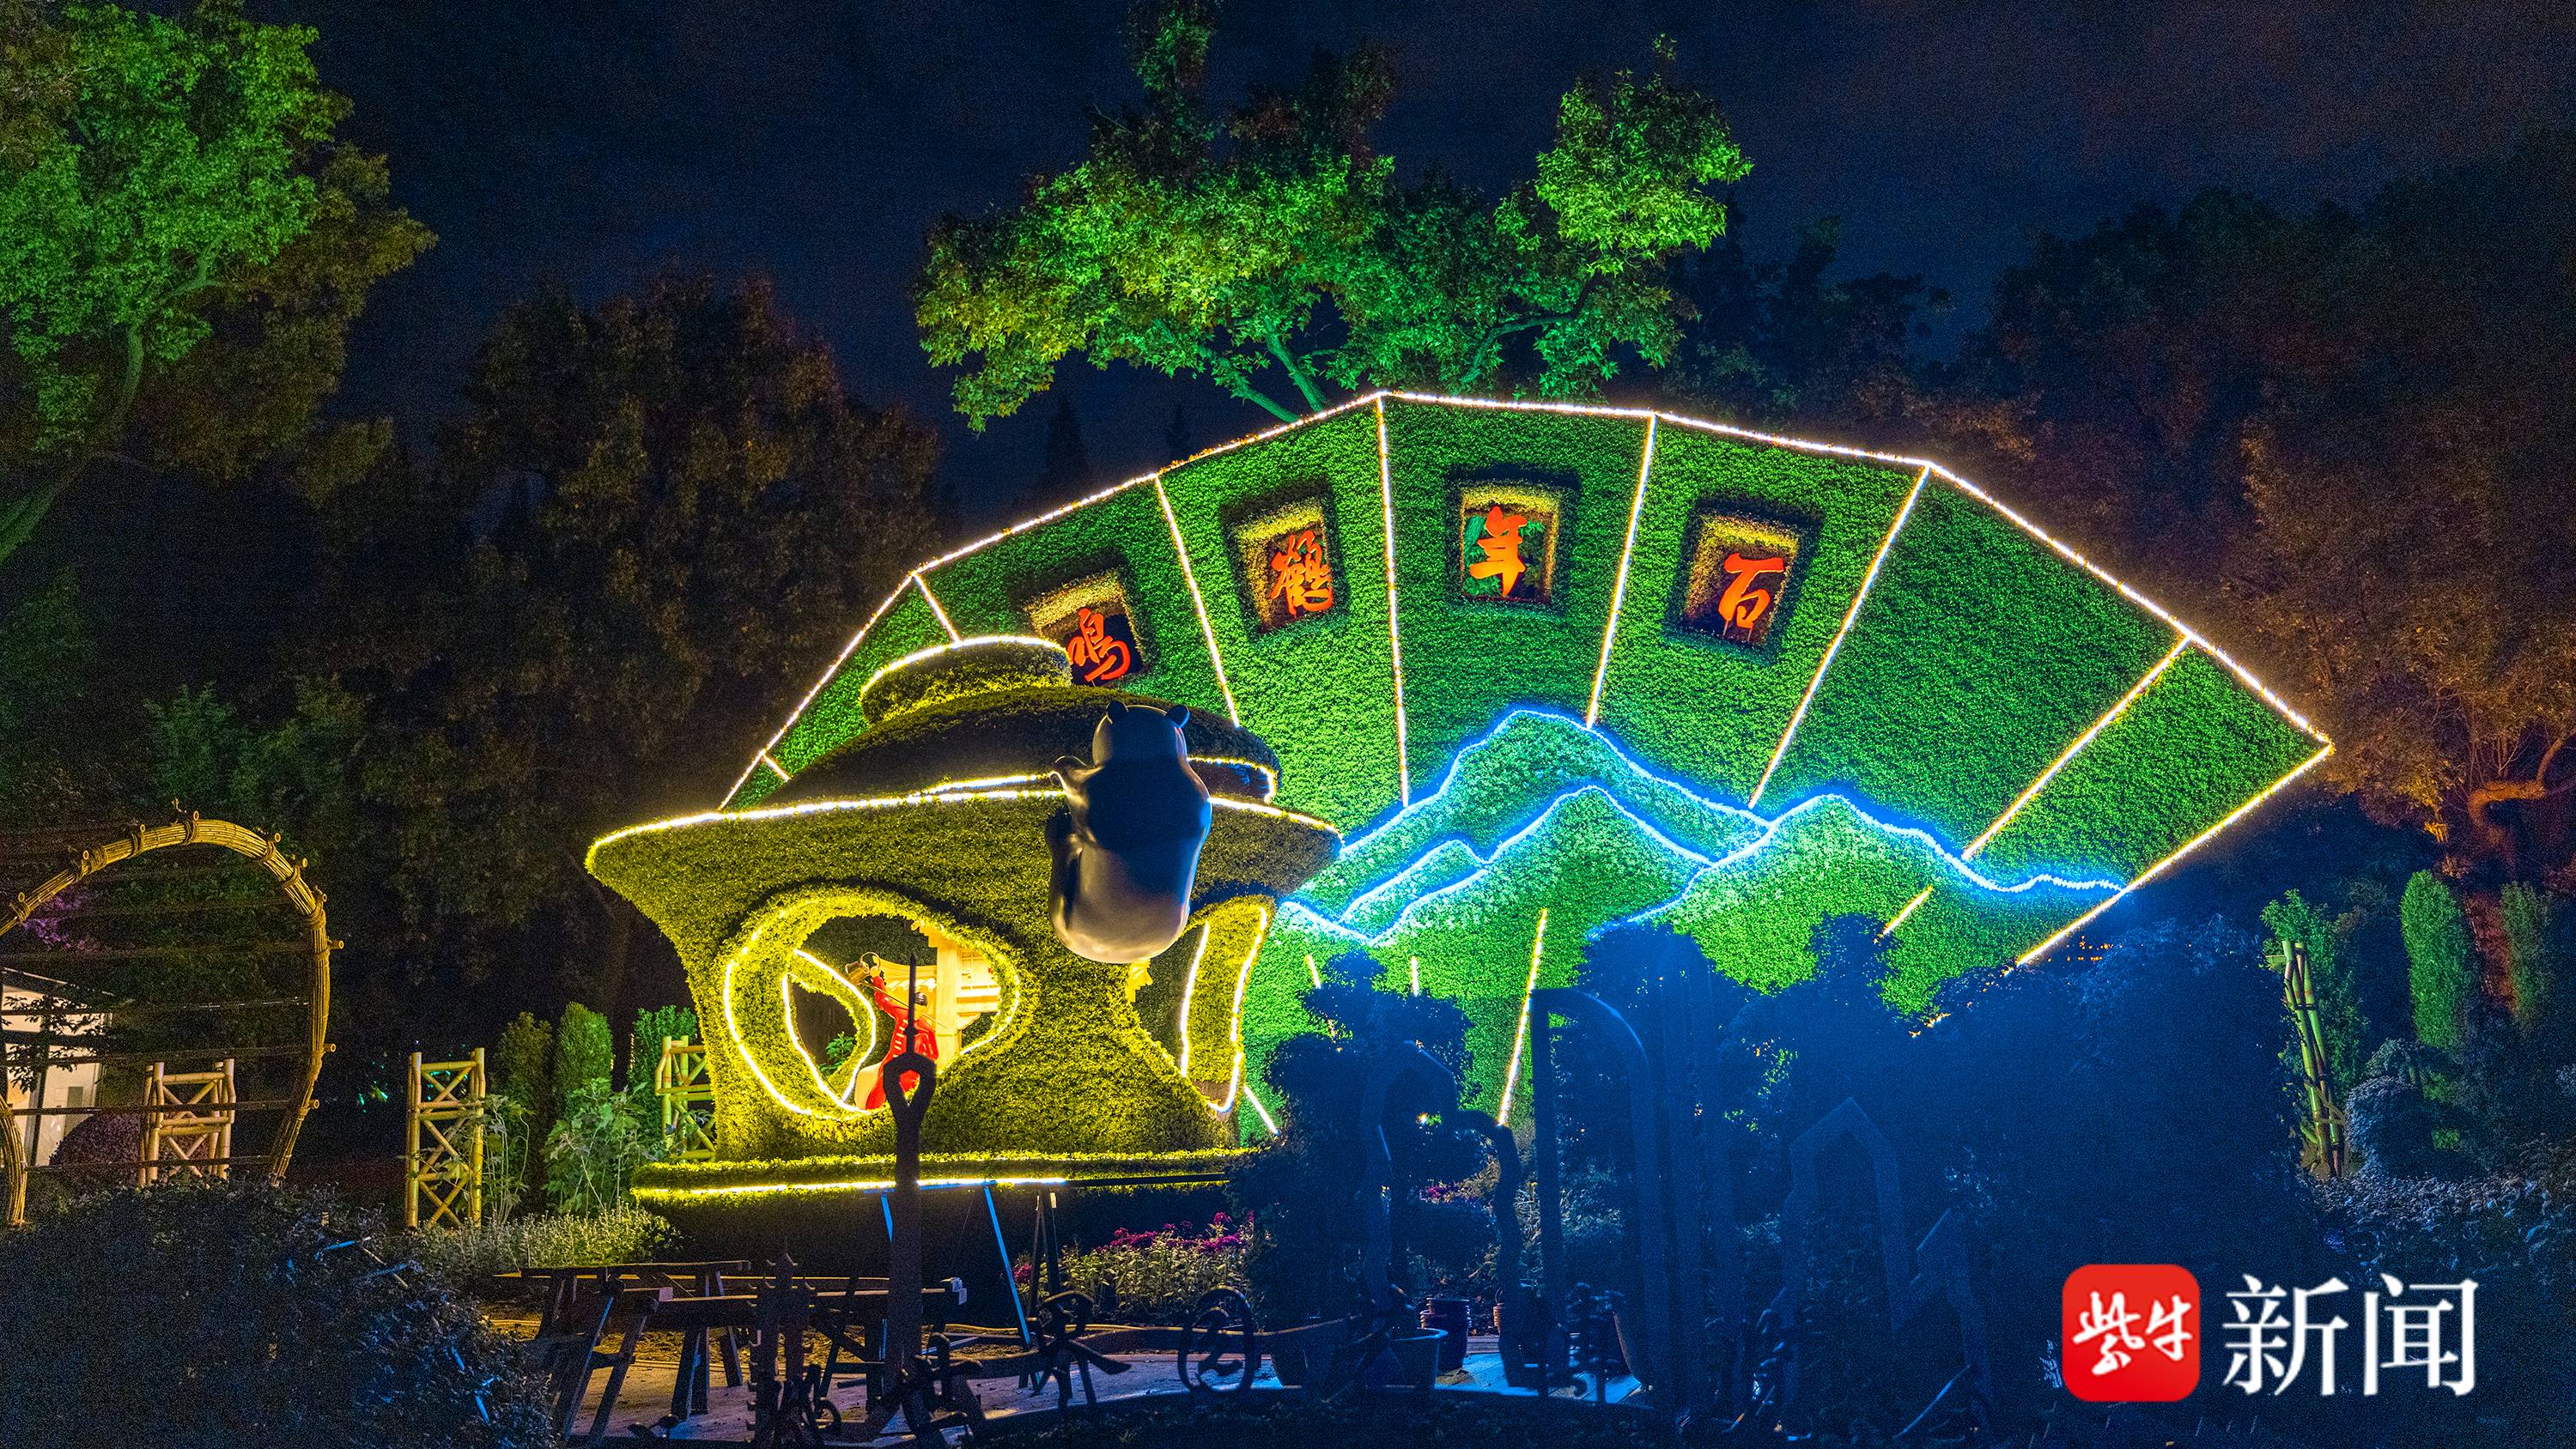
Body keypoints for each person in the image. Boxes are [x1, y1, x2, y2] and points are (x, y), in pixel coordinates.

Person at [858, 958, 939, 1111]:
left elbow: (933, 1054)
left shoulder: (926, 1029)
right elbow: (884, 1001)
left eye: (921, 1010)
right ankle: (871, 1114)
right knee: (880, 1092)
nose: (916, 1012)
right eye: (915, 1008)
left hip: (910, 1071)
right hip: (891, 1064)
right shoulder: (902, 1014)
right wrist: (876, 978)